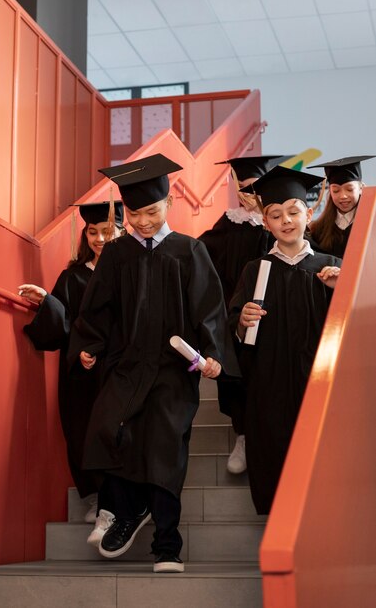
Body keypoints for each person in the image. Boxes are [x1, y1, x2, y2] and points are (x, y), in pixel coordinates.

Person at [68, 153, 240, 573]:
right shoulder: (117, 253)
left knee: (164, 448)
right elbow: (97, 310)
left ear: (168, 205)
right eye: (134, 212)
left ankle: (167, 546)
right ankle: (125, 511)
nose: (143, 221)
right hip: (125, 365)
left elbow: (209, 309)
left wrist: (214, 354)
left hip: (171, 370)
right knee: (108, 429)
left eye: (151, 211)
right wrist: (88, 345)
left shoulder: (189, 250)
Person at [228, 166, 341, 515]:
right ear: (265, 222)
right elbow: (237, 326)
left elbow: (352, 331)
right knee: (275, 455)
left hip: (318, 382)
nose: (286, 220)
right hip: (270, 382)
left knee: (320, 459)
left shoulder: (331, 267)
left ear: (310, 213)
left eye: (294, 211)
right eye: (276, 215)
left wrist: (343, 293)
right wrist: (241, 320)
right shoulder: (254, 270)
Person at [19, 201, 125, 547]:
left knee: (117, 432)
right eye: (92, 232)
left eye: (106, 231)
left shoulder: (130, 271)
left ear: (121, 231)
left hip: (118, 368)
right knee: (81, 430)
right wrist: (46, 301)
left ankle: (118, 502)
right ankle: (94, 496)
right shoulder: (74, 275)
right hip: (81, 373)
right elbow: (65, 320)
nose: (98, 238)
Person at [199, 155, 286, 474]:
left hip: (275, 315)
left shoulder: (278, 222)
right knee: (237, 375)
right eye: (243, 188)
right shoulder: (230, 223)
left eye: (254, 188)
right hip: (236, 317)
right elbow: (200, 255)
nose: (249, 194)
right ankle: (243, 436)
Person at [307, 156, 375, 257]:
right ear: (329, 191)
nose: (343, 196)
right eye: (336, 191)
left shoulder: (372, 224)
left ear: (361, 188)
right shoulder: (317, 230)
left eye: (349, 189)